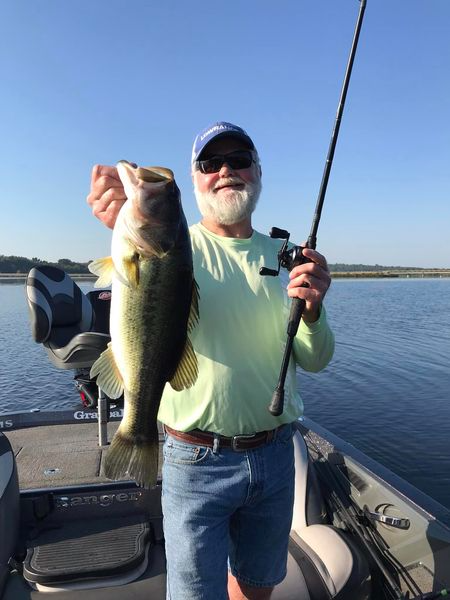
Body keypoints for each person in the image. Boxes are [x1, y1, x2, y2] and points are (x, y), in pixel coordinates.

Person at [87, 121, 334, 600]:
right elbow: (139, 258)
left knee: (258, 585)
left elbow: (316, 358)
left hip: (276, 455)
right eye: (209, 163)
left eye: (239, 160)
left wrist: (313, 311)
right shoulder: (177, 244)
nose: (226, 171)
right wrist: (119, 215)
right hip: (194, 459)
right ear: (195, 179)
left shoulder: (286, 256)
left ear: (258, 172)